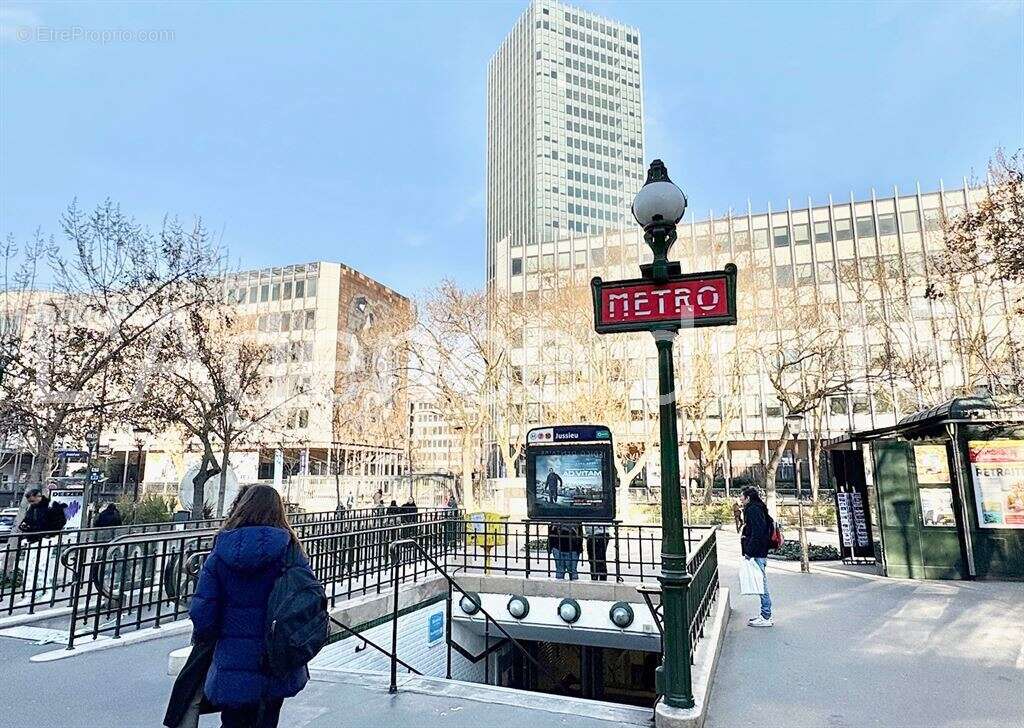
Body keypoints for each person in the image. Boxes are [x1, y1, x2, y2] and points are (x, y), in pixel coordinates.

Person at [188, 484, 315, 727]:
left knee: (233, 721)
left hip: (232, 660)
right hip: (275, 659)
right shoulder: (289, 550)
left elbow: (202, 611)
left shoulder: (221, 550)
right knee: (267, 719)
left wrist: (212, 638)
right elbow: (309, 601)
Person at [740, 486, 773, 627]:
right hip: (759, 550)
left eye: (742, 496)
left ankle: (766, 615)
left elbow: (757, 532)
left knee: (761, 583)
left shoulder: (753, 510)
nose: (740, 499)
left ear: (748, 497)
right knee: (760, 582)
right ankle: (765, 614)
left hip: (757, 551)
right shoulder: (758, 508)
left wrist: (749, 551)